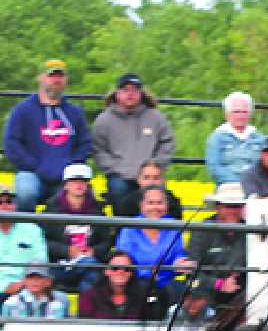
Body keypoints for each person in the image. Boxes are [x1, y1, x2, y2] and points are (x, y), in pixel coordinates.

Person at [4, 58, 92, 212]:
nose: (56, 80)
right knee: (25, 193)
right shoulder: (22, 110)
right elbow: (11, 144)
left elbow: (85, 144)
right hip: (31, 172)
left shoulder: (74, 112)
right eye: (51, 75)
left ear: (65, 80)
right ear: (41, 78)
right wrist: (35, 166)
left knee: (82, 195)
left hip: (66, 176)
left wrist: (70, 167)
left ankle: (65, 235)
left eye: (60, 76)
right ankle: (28, 233)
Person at [91, 72, 177, 208]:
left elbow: (167, 142)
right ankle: (121, 228)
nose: (130, 94)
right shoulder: (104, 120)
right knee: (118, 189)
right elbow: (98, 150)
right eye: (125, 90)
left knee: (164, 198)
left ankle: (159, 227)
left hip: (151, 174)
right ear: (117, 93)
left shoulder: (156, 117)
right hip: (119, 175)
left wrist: (156, 165)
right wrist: (116, 169)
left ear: (141, 93)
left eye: (135, 90)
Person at [41, 163, 111, 294]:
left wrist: (93, 251)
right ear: (66, 184)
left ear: (88, 184)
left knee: (93, 272)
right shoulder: (51, 209)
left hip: (90, 265)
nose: (79, 185)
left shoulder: (99, 210)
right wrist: (66, 250)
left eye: (83, 181)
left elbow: (107, 242)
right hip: (58, 265)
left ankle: (86, 311)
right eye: (73, 181)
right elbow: (42, 241)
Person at [113, 186, 189, 292]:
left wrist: (180, 264)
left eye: (159, 203)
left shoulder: (174, 227)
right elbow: (123, 261)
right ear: (142, 205)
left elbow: (178, 256)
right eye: (150, 203)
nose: (155, 207)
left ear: (166, 205)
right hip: (135, 283)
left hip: (166, 284)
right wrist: (148, 273)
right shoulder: (129, 228)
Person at [184, 182, 248, 296]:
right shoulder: (201, 230)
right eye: (228, 206)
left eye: (237, 206)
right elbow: (191, 272)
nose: (232, 211)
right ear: (217, 207)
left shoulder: (249, 230)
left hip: (241, 291)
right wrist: (219, 284)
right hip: (206, 291)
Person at [0, 182, 51, 298]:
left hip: (26, 288)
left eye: (9, 201)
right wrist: (4, 287)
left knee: (60, 299)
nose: (4, 206)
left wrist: (24, 283)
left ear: (15, 205)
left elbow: (41, 262)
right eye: (0, 202)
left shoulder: (32, 230)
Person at [204, 91, 264, 186]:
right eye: (236, 112)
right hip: (228, 187)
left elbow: (264, 167)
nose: (241, 116)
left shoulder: (259, 138)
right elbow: (214, 168)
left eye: (244, 112)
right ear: (227, 114)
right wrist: (239, 183)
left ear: (250, 114)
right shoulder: (217, 138)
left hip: (255, 187)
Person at [111, 159, 183, 219]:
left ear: (163, 180)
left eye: (156, 178)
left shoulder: (173, 202)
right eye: (146, 177)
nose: (151, 182)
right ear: (139, 180)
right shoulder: (127, 203)